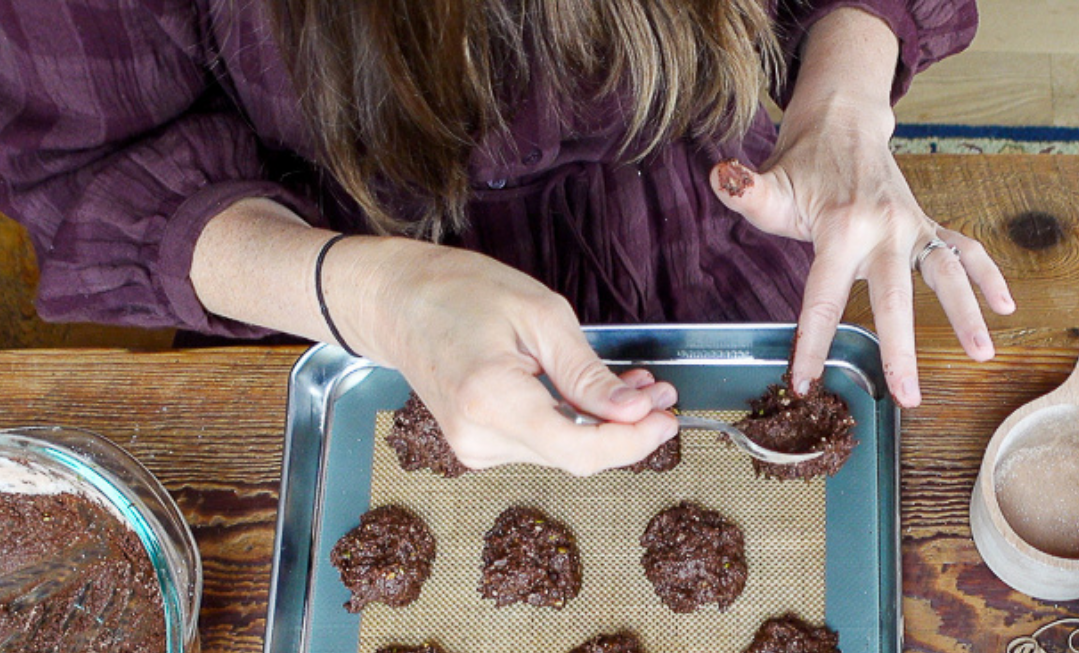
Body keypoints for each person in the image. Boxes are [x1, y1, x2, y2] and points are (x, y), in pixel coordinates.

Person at [0, 0, 1013, 472]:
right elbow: (94, 170)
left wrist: (839, 104)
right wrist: (375, 295)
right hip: (336, 281)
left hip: (721, 217)